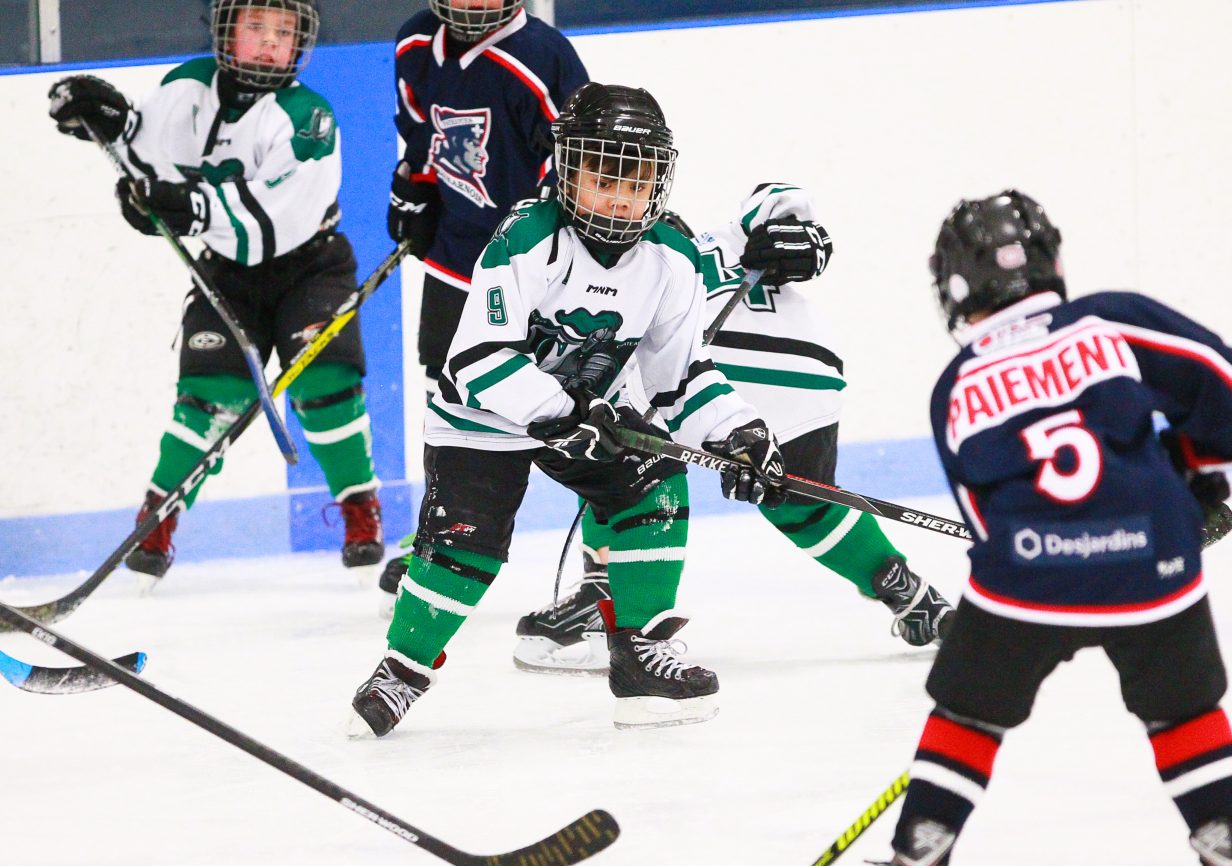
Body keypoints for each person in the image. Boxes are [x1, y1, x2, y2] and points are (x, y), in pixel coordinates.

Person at [857, 190, 1232, 866]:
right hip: (1150, 558)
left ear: (952, 287)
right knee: (1183, 711)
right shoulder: (1107, 318)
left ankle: (917, 856)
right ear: (1051, 258)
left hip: (1025, 576)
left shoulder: (955, 384)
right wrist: (1188, 469)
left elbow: (981, 516)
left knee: (967, 716)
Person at [348, 83, 787, 739]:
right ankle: (404, 667)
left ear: (659, 185)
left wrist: (739, 432)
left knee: (654, 482)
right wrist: (567, 408)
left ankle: (639, 656)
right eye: (601, 175)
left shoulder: (673, 258)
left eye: (635, 182)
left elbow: (679, 380)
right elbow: (478, 357)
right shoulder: (527, 237)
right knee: (465, 550)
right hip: (482, 416)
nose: (618, 195)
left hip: (588, 418)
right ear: (567, 170)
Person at [514, 185, 956, 674]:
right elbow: (782, 201)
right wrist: (802, 240)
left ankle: (603, 594)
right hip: (804, 371)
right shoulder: (717, 239)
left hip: (716, 370)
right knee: (806, 506)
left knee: (613, 454)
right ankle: (914, 598)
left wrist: (804, 242)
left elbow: (783, 207)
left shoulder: (604, 274)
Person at [47, 0, 386, 582]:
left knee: (324, 383)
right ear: (226, 31)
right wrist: (110, 125)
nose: (269, 43)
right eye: (255, 27)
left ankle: (360, 510)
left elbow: (279, 217)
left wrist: (188, 207)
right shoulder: (187, 86)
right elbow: (153, 166)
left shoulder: (309, 117)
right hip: (226, 272)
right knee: (207, 397)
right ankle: (156, 526)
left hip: (311, 269)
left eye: (284, 32)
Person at [378, 0, 589, 588]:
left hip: (530, 269)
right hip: (454, 258)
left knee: (579, 409)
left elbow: (573, 165)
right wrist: (413, 193)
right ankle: (438, 531)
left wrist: (550, 253)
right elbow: (420, 138)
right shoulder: (415, 43)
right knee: (445, 398)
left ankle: (603, 566)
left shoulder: (544, 57)